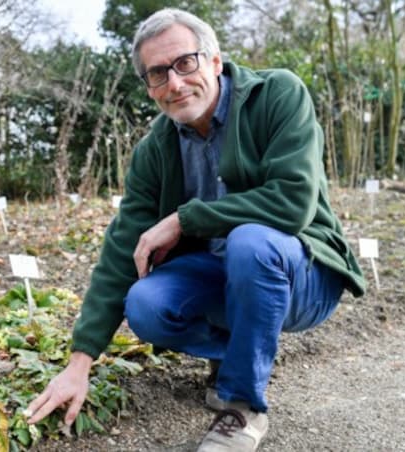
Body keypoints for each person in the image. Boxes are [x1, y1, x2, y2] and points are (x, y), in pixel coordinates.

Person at [27, 7, 366, 451]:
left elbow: (292, 202)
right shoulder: (156, 148)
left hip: (303, 276)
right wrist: (79, 362)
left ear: (215, 61)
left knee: (250, 241)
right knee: (145, 302)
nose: (175, 83)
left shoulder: (277, 94)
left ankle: (242, 408)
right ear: (149, 87)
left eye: (185, 63)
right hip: (225, 277)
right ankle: (237, 356)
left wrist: (185, 218)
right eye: (157, 74)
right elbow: (122, 246)